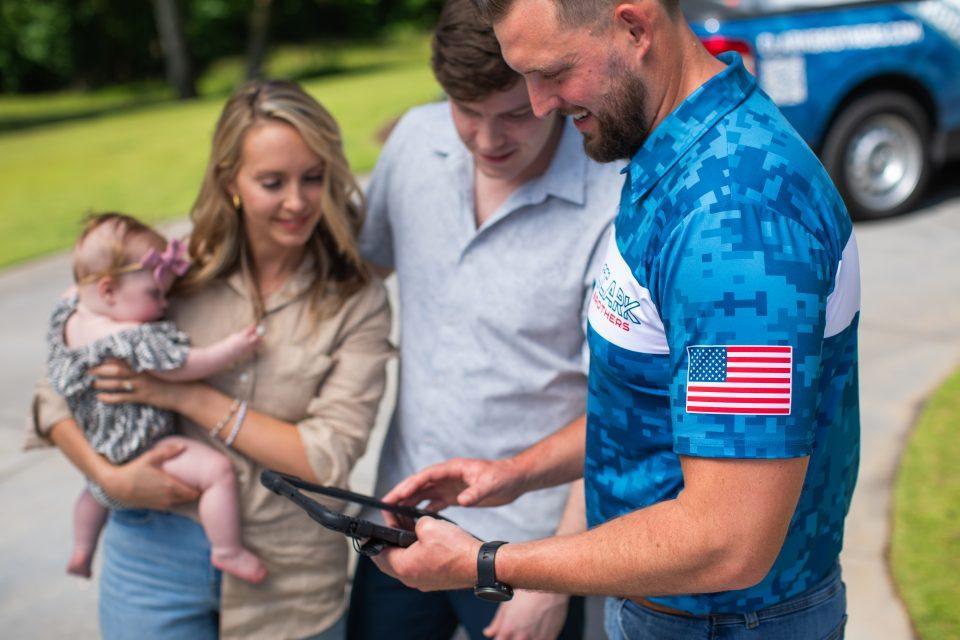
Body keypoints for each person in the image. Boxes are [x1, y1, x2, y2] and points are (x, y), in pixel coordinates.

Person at [372, 1, 861, 639]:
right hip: (676, 608)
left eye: (551, 72)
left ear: (633, 27)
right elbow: (666, 401)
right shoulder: (673, 155)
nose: (539, 103)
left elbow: (729, 539)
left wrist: (488, 562)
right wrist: (518, 473)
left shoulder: (734, 220)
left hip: (721, 621)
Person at [26, 79, 392, 640]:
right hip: (152, 552)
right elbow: (55, 393)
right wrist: (109, 478)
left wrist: (185, 395)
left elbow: (326, 458)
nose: (298, 201)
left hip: (288, 577)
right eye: (273, 182)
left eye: (313, 178)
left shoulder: (356, 298)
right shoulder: (169, 268)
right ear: (231, 182)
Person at [346, 1, 625, 638]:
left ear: (547, 89)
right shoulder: (416, 141)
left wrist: (552, 585)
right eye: (467, 113)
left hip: (529, 551)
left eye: (511, 115)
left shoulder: (612, 201)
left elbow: (618, 411)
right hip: (398, 517)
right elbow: (352, 281)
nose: (488, 140)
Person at [50, 212, 265, 583]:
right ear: (107, 290)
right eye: (155, 293)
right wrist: (231, 349)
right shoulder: (132, 338)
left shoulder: (67, 316)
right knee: (217, 473)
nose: (163, 305)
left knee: (93, 493)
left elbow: (74, 290)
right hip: (144, 446)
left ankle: (82, 549)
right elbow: (185, 366)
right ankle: (227, 550)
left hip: (98, 447)